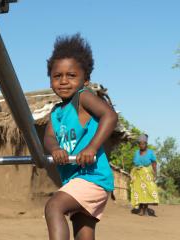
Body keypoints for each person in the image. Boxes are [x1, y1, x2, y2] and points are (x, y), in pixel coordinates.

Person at [43, 33, 118, 240]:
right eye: (57, 76)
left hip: (92, 176)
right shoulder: (56, 112)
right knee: (83, 233)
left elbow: (109, 116)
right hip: (75, 179)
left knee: (54, 206)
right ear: (50, 80)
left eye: (71, 75)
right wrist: (55, 149)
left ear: (85, 79)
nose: (64, 81)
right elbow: (49, 138)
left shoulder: (82, 97)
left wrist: (92, 147)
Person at [130, 134, 159, 216]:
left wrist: (155, 174)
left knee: (148, 190)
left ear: (146, 144)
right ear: (138, 144)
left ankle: (145, 209)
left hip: (147, 175)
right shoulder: (136, 153)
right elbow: (134, 164)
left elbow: (154, 163)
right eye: (140, 143)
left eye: (144, 143)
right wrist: (132, 173)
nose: (142, 145)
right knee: (139, 192)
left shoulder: (150, 152)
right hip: (138, 175)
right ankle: (141, 209)